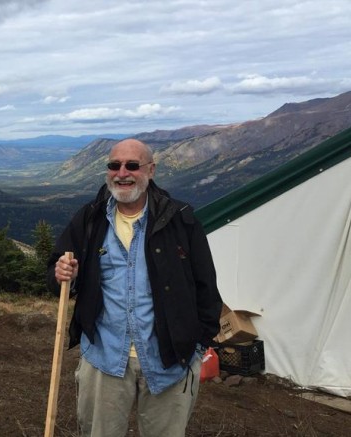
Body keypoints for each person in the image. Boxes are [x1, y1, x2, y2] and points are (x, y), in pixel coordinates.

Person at [47, 138, 222, 437]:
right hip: (104, 355)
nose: (122, 173)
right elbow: (59, 269)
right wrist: (62, 273)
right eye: (114, 165)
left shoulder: (181, 220)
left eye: (132, 165)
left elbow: (206, 285)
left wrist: (197, 344)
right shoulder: (90, 218)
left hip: (169, 359)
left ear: (150, 170)